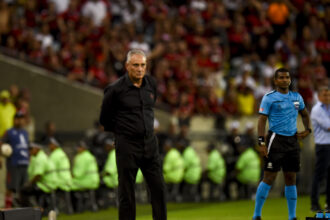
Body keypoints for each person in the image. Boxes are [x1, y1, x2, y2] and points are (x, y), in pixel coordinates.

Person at [99, 49, 167, 220]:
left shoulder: (151, 84)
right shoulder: (115, 90)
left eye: (143, 65)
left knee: (159, 189)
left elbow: (150, 108)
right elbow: (105, 119)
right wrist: (122, 134)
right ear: (127, 66)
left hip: (150, 145)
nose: (139, 69)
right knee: (127, 193)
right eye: (135, 65)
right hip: (127, 146)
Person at [252, 68, 311, 220]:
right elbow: (261, 120)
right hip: (275, 140)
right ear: (276, 81)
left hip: (292, 141)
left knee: (291, 178)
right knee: (269, 177)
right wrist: (261, 142)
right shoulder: (269, 97)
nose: (285, 80)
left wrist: (307, 130)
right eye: (281, 78)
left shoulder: (297, 97)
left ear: (290, 80)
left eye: (287, 77)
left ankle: (292, 216)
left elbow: (304, 114)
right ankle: (256, 215)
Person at [1, 112, 29, 206]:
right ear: (14, 120)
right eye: (18, 118)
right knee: (11, 187)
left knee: (24, 188)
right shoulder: (9, 132)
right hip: (14, 163)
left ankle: (22, 209)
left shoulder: (25, 132)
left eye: (22, 118)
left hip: (24, 163)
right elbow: (1, 144)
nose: (20, 120)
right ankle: (7, 209)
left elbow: (27, 147)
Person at [310, 86, 330, 212]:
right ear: (318, 96)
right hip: (323, 146)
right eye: (325, 95)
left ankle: (329, 204)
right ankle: (314, 203)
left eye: (329, 95)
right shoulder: (317, 110)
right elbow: (328, 126)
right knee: (319, 175)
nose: (327, 97)